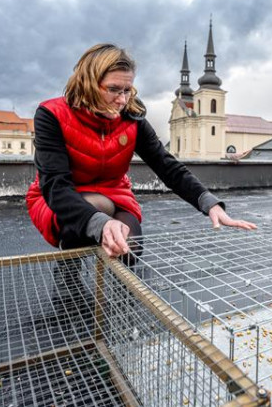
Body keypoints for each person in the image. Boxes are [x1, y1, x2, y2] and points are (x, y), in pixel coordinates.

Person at [26, 43, 256, 262]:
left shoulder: (132, 116)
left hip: (115, 193)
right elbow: (55, 185)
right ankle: (69, 269)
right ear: (88, 83)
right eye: (114, 90)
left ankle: (120, 297)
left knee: (129, 250)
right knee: (97, 212)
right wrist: (103, 224)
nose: (122, 100)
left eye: (127, 90)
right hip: (62, 197)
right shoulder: (52, 114)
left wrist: (210, 205)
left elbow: (166, 165)